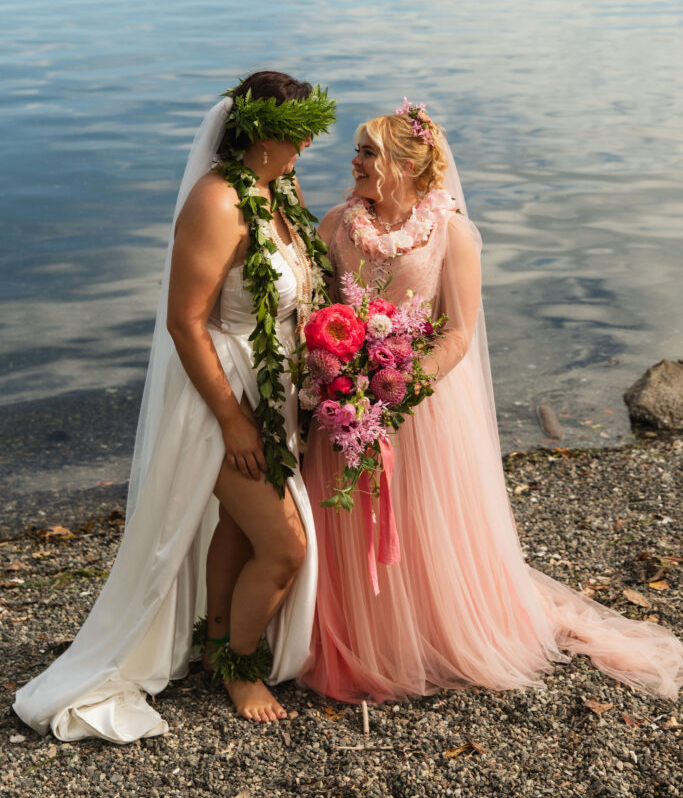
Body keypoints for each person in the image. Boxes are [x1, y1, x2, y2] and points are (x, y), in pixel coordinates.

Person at [298, 100, 683, 704]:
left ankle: (425, 634)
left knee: (428, 523)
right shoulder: (335, 226)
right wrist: (340, 376)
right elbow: (317, 315)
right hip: (345, 404)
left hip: (417, 405)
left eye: (368, 152)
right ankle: (351, 634)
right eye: (359, 151)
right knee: (344, 517)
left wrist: (401, 386)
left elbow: (456, 334)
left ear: (404, 164)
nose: (355, 163)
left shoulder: (451, 234)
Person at [14, 71, 336, 741]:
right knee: (284, 547)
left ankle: (217, 641)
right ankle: (240, 669)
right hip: (219, 400)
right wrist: (232, 419)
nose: (308, 143)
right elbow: (185, 322)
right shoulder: (217, 203)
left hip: (273, 394)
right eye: (300, 130)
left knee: (242, 530)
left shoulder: (280, 189)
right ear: (265, 132)